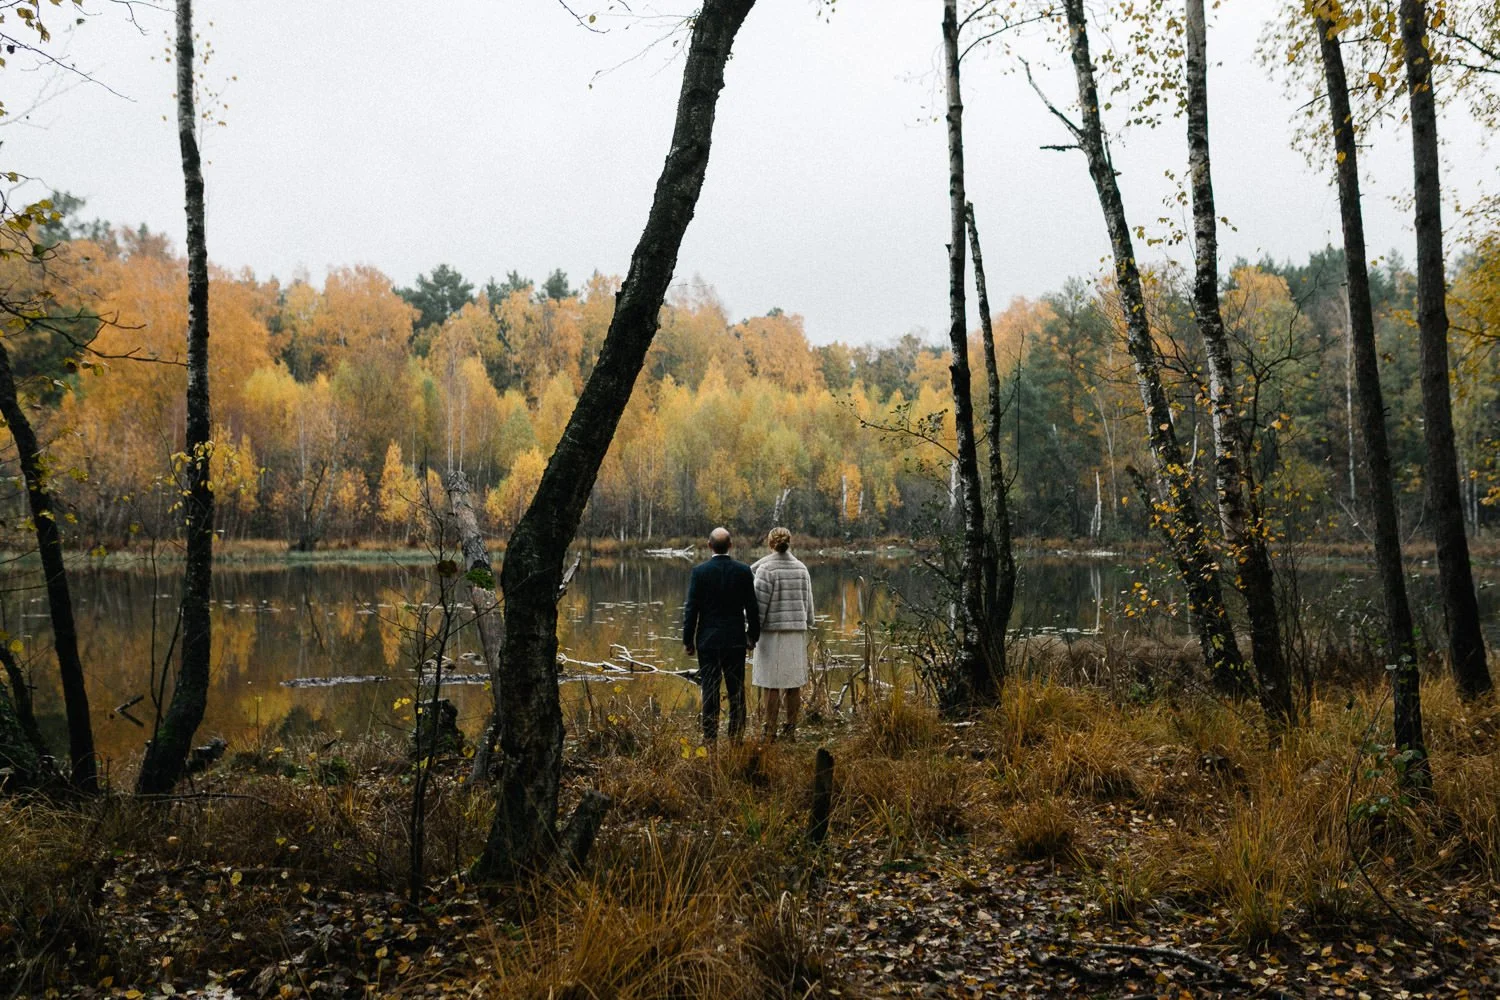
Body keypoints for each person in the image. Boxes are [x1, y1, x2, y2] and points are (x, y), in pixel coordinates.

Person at [682, 527, 760, 743]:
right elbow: (752, 608)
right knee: (736, 692)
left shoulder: (700, 572)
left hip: (708, 641)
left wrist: (688, 641)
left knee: (710, 690)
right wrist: (752, 636)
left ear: (709, 546)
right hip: (735, 640)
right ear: (731, 546)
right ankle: (736, 739)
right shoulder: (743, 571)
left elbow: (691, 609)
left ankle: (710, 739)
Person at [750, 526, 814, 741]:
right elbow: (808, 604)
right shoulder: (801, 568)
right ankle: (791, 729)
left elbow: (758, 607)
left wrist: (751, 631)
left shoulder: (766, 570)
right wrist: (808, 622)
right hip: (795, 632)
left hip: (771, 633)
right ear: (790, 542)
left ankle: (770, 730)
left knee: (771, 685)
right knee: (793, 683)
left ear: (770, 544)